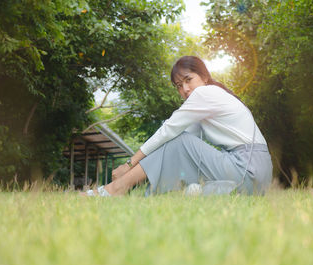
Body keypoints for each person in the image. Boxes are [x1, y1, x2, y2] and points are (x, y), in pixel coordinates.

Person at [85, 56, 272, 197]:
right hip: (258, 176)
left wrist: (129, 164)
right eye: (179, 86)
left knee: (178, 141)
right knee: (183, 160)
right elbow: (174, 141)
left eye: (188, 80)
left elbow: (169, 131)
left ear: (204, 77)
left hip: (247, 169)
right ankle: (118, 189)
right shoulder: (208, 103)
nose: (185, 90)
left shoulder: (205, 94)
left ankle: (115, 189)